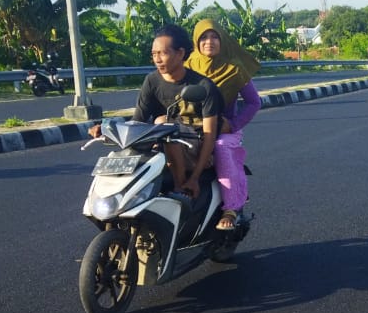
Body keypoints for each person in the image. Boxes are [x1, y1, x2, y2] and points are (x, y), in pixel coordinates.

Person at [89, 24, 224, 201]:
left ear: (180, 53)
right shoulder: (152, 81)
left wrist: (194, 178)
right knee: (157, 128)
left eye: (163, 53)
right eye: (154, 54)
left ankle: (180, 186)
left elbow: (209, 135)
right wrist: (106, 127)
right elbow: (138, 121)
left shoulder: (203, 86)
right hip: (165, 143)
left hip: (195, 147)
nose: (157, 59)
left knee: (164, 123)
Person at [184, 19, 262, 230]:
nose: (209, 42)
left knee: (220, 148)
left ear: (222, 40)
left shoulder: (234, 69)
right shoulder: (188, 66)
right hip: (192, 127)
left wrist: (234, 124)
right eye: (204, 37)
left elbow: (254, 103)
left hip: (223, 130)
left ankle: (231, 208)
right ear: (196, 41)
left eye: (214, 37)